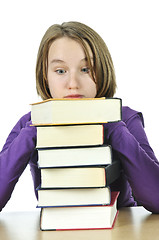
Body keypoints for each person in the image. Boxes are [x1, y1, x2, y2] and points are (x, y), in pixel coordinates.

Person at [0, 21, 159, 213]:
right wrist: (32, 133)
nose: (73, 84)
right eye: (60, 71)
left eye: (86, 69)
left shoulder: (125, 119)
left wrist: (115, 128)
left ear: (102, 71)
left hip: (120, 229)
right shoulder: (29, 123)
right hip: (55, 229)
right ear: (45, 77)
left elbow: (156, 198)